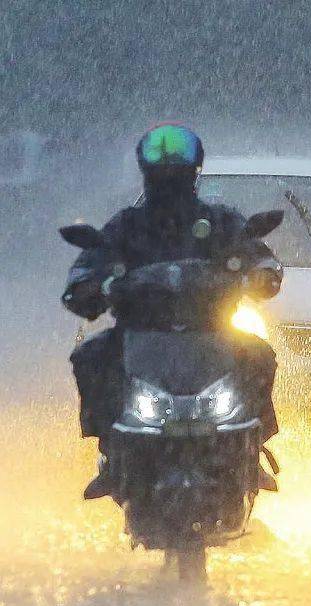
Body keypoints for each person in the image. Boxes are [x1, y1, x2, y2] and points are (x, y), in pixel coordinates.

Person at [62, 122, 283, 500]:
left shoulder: (221, 221)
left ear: (194, 172)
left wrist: (260, 273)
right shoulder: (126, 225)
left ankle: (251, 449)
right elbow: (90, 265)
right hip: (139, 336)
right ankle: (111, 451)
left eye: (176, 171)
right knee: (90, 355)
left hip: (214, 334)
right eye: (161, 171)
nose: (169, 179)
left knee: (260, 356)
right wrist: (90, 285)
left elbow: (257, 255)